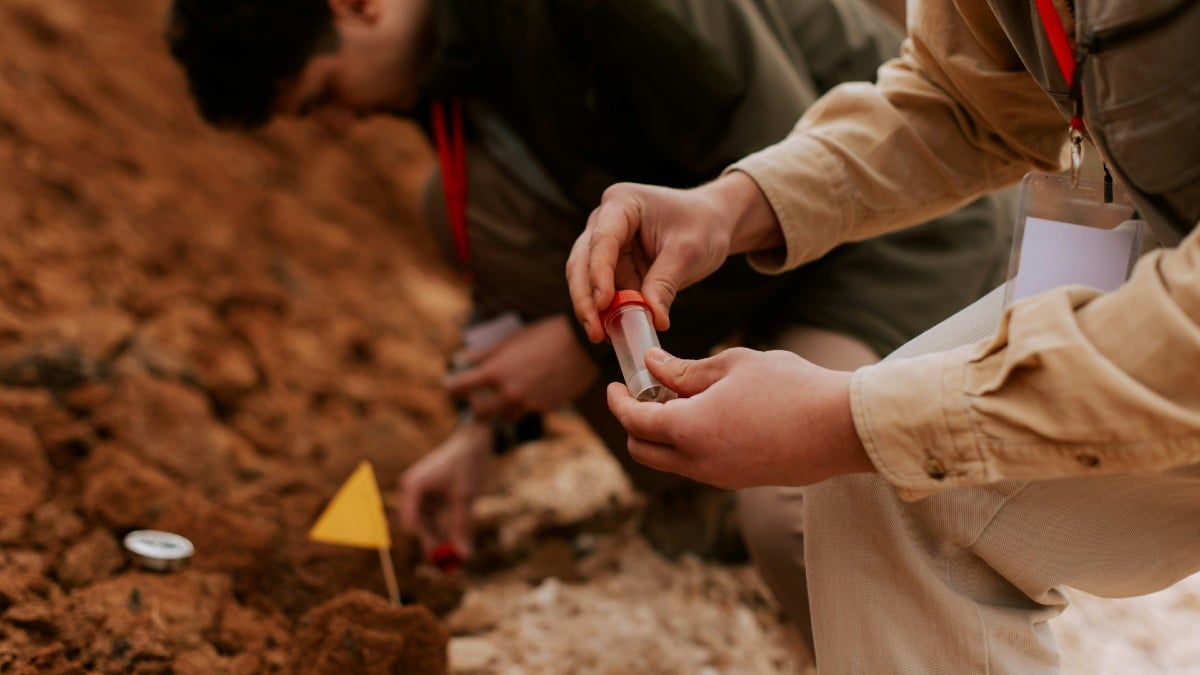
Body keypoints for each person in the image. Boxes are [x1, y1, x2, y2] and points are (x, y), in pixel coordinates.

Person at [166, 0, 1008, 599]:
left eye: (321, 95)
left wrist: (573, 352)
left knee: (799, 525)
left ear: (355, 6)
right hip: (734, 255)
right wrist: (482, 434)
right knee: (454, 206)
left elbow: (784, 181)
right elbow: (516, 267)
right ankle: (701, 503)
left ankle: (963, 546)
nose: (342, 126)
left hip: (889, 231)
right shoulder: (443, 68)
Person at [568, 0, 1200, 671]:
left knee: (891, 441)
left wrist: (844, 418)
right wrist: (733, 205)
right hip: (1164, 241)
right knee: (897, 482)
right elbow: (962, 96)